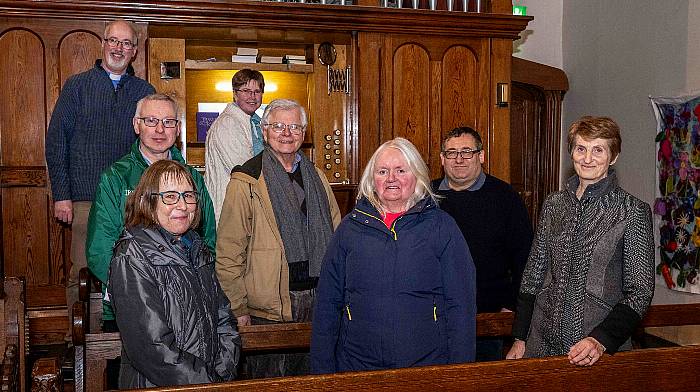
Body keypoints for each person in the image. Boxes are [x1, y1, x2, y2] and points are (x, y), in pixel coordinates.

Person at [310, 137, 477, 374]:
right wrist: (322, 373)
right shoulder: (349, 229)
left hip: (426, 367)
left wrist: (461, 374)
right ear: (372, 179)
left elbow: (460, 306)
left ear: (417, 175)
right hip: (357, 367)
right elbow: (328, 304)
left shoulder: (442, 228)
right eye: (382, 171)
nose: (391, 178)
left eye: (401, 170)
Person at [506, 116, 655, 366]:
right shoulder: (554, 205)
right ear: (571, 152)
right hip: (540, 344)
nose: (587, 158)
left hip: (596, 351)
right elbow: (533, 275)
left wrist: (600, 339)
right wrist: (520, 337)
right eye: (581, 148)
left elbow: (639, 292)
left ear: (614, 156)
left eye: (598, 150)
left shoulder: (632, 211)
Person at [45, 19, 155, 336]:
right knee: (82, 271)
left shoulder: (144, 92)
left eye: (126, 43)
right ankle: (78, 339)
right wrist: (61, 195)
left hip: (132, 198)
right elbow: (56, 142)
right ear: (103, 44)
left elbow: (153, 141)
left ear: (134, 51)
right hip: (85, 198)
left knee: (133, 268)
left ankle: (128, 336)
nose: (118, 48)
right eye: (113, 41)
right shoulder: (77, 86)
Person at [216, 98, 341, 377]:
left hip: (318, 302)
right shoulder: (246, 180)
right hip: (267, 310)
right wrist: (238, 307)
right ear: (264, 131)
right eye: (278, 126)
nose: (286, 133)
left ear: (304, 133)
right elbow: (228, 252)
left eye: (294, 127)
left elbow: (337, 237)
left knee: (315, 379)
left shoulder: (317, 177)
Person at [87, 93, 216, 329]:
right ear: (137, 125)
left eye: (168, 122)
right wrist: (141, 291)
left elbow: (208, 239)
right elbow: (100, 249)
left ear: (177, 129)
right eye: (151, 121)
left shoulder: (193, 178)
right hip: (131, 304)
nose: (160, 130)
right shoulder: (116, 177)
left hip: (188, 304)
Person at [109, 159, 240, 388]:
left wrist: (222, 374)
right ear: (148, 202)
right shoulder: (132, 254)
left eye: (188, 196)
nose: (182, 205)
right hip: (157, 385)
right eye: (170, 196)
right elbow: (151, 346)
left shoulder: (197, 247)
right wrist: (206, 383)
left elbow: (224, 320)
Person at [432, 126, 533, 361]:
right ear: (442, 159)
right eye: (451, 153)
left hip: (488, 318)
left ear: (482, 156)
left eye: (467, 152)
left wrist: (511, 307)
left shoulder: (505, 197)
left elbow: (525, 259)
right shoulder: (426, 196)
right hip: (435, 316)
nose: (459, 159)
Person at [205, 69, 266, 223]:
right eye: (246, 91)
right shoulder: (228, 123)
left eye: (257, 91)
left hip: (247, 205)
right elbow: (245, 171)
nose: (252, 97)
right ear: (235, 93)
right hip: (230, 209)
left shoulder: (255, 123)